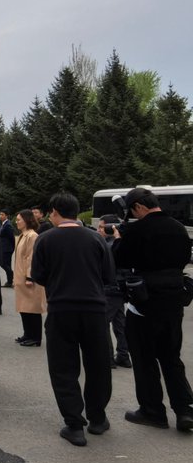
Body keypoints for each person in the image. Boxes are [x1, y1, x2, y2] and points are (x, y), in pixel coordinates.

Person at [28, 192, 114, 446]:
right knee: (98, 365)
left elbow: (39, 276)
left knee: (63, 367)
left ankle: (74, 424)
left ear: (54, 211)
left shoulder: (45, 240)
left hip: (61, 309)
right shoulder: (96, 238)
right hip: (95, 310)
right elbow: (108, 276)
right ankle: (98, 418)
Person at [112, 187, 193, 432]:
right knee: (171, 357)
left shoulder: (137, 230)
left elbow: (120, 261)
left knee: (145, 358)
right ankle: (185, 410)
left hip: (144, 301)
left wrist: (118, 240)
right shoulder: (179, 228)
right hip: (174, 300)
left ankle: (152, 410)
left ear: (138, 207)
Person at [96, 216, 132, 370]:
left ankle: (108, 358)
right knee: (120, 323)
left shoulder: (110, 245)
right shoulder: (120, 243)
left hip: (110, 288)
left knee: (103, 323)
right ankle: (123, 356)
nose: (99, 230)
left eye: (102, 227)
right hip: (121, 288)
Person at [12, 210, 45, 346]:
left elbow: (31, 258)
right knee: (24, 308)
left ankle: (35, 337)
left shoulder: (32, 236)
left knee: (32, 309)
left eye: (19, 219)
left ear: (27, 220)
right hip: (21, 277)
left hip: (28, 278)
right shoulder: (23, 235)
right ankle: (27, 334)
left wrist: (30, 277)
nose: (17, 222)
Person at [0, 209, 15, 285]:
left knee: (3, 264)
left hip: (7, 249)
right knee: (6, 264)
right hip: (4, 248)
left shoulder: (8, 225)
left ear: (6, 216)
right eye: (0, 214)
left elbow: (12, 238)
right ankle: (10, 281)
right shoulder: (3, 224)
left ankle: (12, 276)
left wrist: (11, 248)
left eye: (2, 214)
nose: (0, 216)